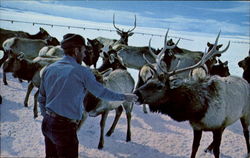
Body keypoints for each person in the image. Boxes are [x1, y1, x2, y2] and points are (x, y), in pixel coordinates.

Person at [38, 33, 138, 158]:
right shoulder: (82, 72)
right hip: (65, 128)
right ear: (76, 51)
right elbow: (102, 92)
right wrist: (124, 97)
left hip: (47, 124)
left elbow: (41, 97)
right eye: (84, 51)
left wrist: (47, 116)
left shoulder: (49, 68)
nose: (85, 54)